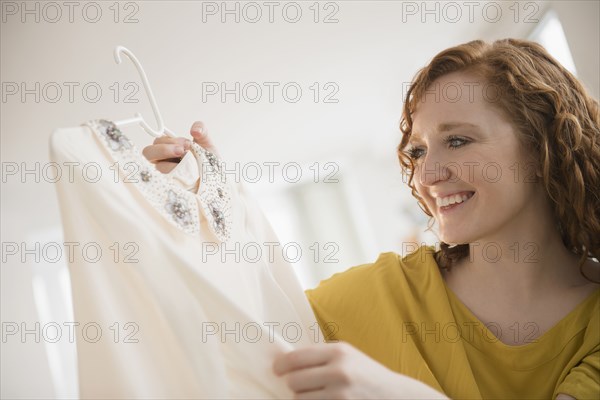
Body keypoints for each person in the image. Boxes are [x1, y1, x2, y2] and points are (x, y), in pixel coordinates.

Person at [142, 39, 600, 399]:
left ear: (543, 147)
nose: (426, 174)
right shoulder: (370, 298)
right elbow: (228, 329)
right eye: (418, 151)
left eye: (458, 140)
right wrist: (206, 211)